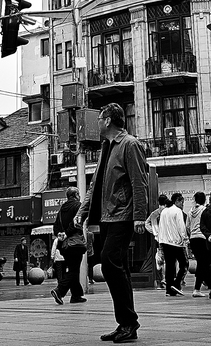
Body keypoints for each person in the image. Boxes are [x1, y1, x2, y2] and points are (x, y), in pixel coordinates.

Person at [74, 103, 148, 344]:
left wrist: (139, 215)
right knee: (117, 267)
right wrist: (83, 211)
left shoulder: (130, 144)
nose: (97, 123)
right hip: (107, 216)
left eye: (99, 119)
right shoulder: (106, 147)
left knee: (109, 263)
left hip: (122, 216)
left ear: (107, 121)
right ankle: (125, 324)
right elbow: (95, 185)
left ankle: (129, 322)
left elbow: (139, 182)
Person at [51, 186, 87, 305]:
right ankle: (59, 291)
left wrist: (60, 234)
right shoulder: (78, 206)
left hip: (64, 245)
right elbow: (76, 223)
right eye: (78, 194)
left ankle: (76, 295)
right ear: (76, 195)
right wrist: (67, 233)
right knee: (74, 270)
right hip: (75, 243)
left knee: (73, 268)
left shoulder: (62, 209)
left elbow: (55, 226)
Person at [154, 194, 187, 297]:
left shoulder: (164, 211)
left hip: (165, 242)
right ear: (177, 201)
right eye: (182, 202)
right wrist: (184, 238)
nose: (182, 205)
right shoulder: (177, 211)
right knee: (184, 264)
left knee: (169, 265)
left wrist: (160, 241)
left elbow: (161, 227)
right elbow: (181, 227)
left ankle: (169, 289)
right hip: (176, 242)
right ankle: (176, 284)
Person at [186, 191, 210, 298]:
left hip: (193, 239)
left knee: (202, 262)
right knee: (203, 263)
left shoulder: (190, 212)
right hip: (202, 238)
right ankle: (197, 289)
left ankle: (208, 283)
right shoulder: (204, 210)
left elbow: (187, 226)